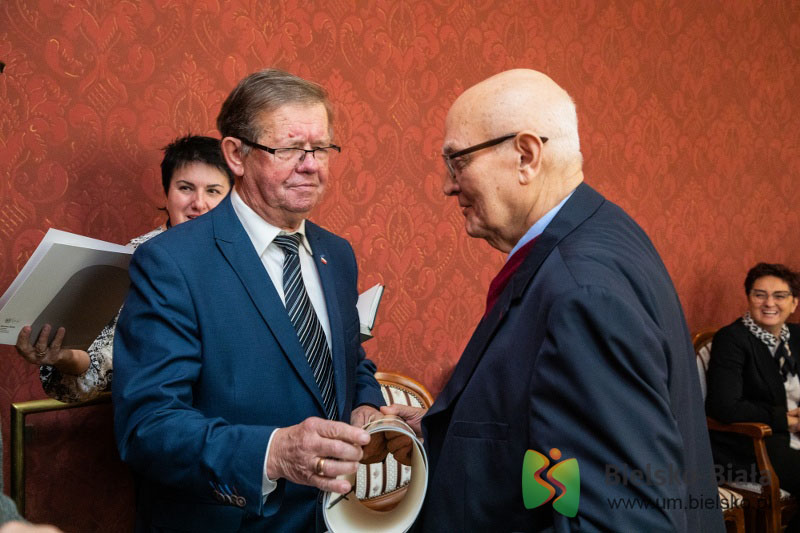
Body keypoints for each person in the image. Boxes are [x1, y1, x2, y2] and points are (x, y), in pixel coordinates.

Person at [384, 69, 724, 531]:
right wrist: (451, 425)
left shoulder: (582, 291)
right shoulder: (599, 230)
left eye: (457, 161)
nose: (448, 184)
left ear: (526, 155)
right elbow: (561, 437)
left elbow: (619, 520)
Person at [112, 69, 385, 531]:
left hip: (333, 518)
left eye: (320, 148)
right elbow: (148, 425)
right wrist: (273, 453)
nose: (311, 165)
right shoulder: (171, 262)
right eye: (289, 149)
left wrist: (367, 405)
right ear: (236, 155)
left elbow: (349, 360)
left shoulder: (336, 254)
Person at [13, 135, 234, 403]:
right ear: (166, 193)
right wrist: (64, 357)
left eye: (213, 191)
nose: (199, 203)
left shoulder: (250, 255)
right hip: (167, 413)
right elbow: (104, 361)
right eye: (186, 188)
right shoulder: (139, 259)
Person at [706, 262, 800, 531]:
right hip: (755, 445)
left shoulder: (796, 337)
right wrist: (785, 420)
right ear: (748, 298)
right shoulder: (732, 339)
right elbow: (724, 406)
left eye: (779, 296)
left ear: (794, 303)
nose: (769, 303)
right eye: (760, 295)